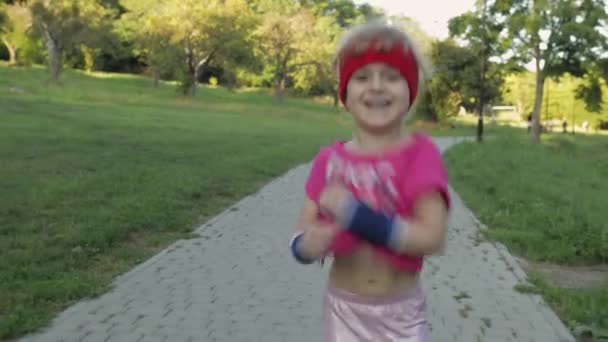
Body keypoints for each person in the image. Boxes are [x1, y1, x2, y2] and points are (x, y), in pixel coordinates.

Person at [289, 19, 451, 341]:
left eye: (392, 77)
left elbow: (433, 237)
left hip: (400, 315)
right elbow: (301, 235)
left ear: (410, 90)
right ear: (346, 95)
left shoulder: (419, 154)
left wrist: (357, 217)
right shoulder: (329, 161)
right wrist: (308, 245)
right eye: (362, 77)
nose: (376, 86)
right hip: (344, 309)